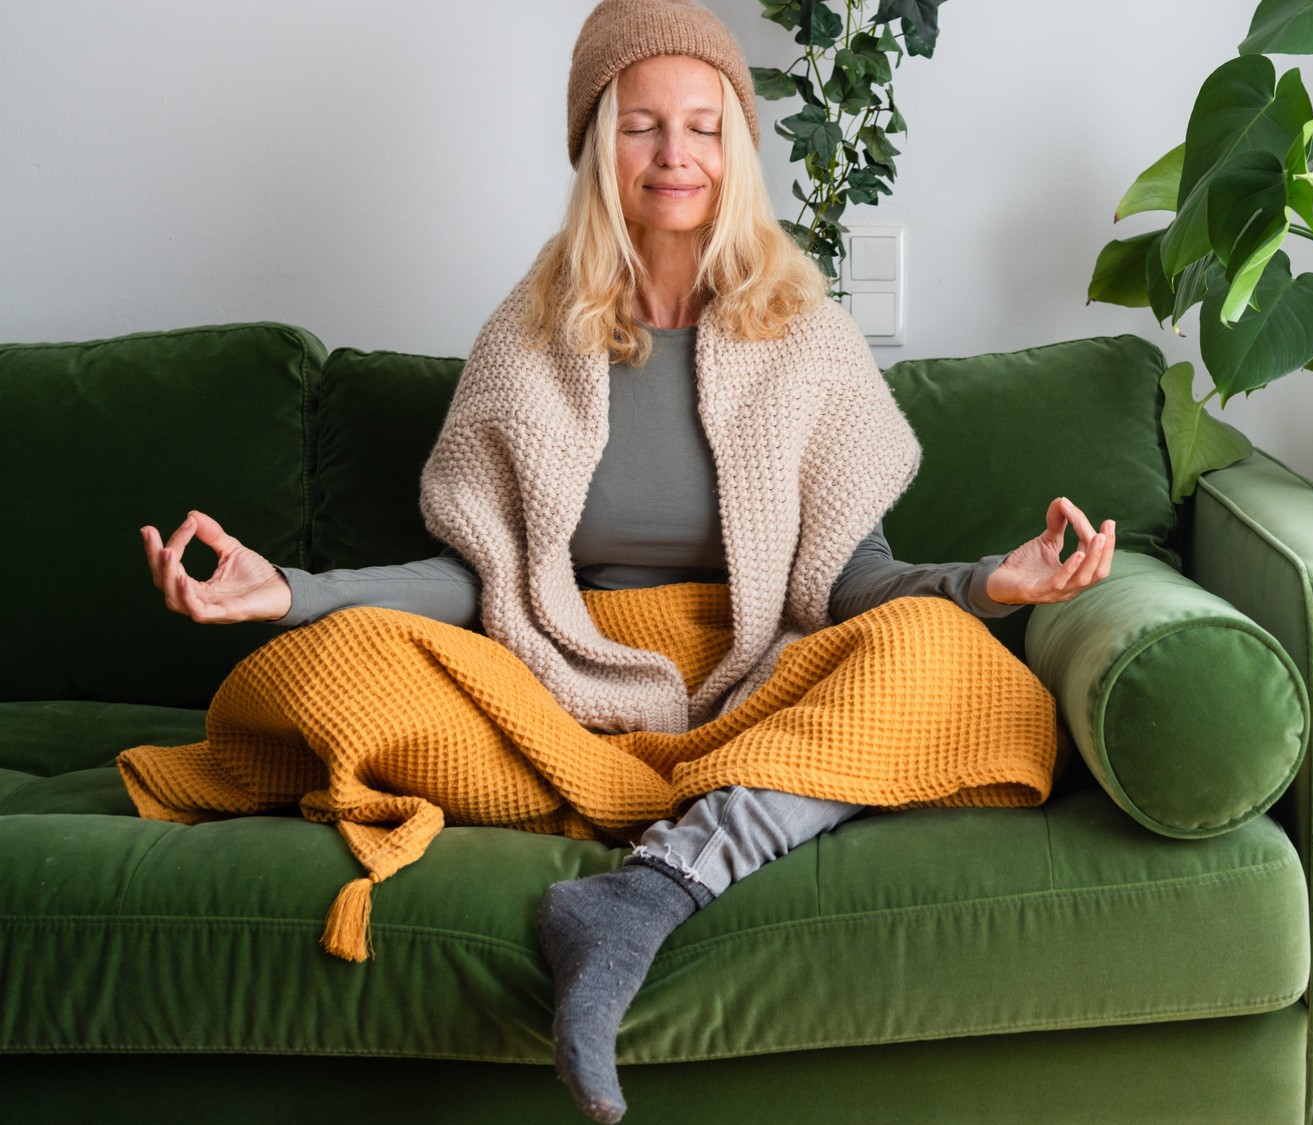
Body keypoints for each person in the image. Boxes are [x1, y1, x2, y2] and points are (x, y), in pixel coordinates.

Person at [134, 2, 1116, 1121]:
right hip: (559, 682)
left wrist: (988, 585)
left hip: (760, 688)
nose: (674, 155)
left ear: (736, 146)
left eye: (703, 126)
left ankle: (651, 886)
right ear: (598, 144)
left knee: (954, 656)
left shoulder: (806, 331)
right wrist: (292, 593)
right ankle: (706, 822)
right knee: (328, 665)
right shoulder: (529, 334)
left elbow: (851, 583)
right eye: (642, 125)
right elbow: (483, 577)